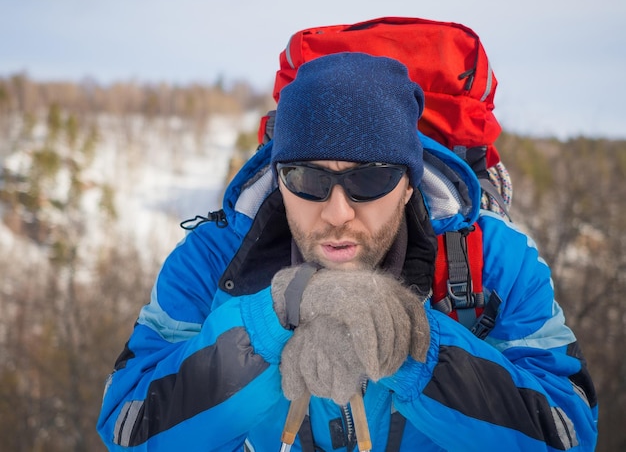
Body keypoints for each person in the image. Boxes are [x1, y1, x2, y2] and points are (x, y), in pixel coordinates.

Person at [97, 53, 598, 451]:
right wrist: (264, 330)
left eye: (371, 179)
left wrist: (414, 349)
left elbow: (567, 433)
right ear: (278, 180)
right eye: (307, 179)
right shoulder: (209, 262)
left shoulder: (493, 263)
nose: (337, 212)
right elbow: (128, 425)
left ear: (408, 185)